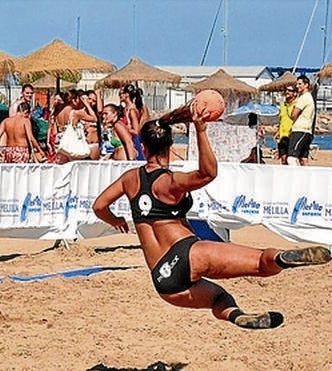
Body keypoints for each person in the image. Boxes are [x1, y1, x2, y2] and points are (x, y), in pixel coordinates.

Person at [92, 107, 331, 329]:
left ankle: (237, 315)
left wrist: (115, 220)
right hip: (188, 252)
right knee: (260, 263)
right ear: (170, 144)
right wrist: (201, 130)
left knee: (220, 298)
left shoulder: (129, 178)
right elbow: (208, 173)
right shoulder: (170, 181)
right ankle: (281, 257)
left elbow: (99, 205)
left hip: (164, 280)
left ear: (143, 147)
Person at [287, 75, 315, 166]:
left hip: (300, 130)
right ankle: (307, 179)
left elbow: (293, 114)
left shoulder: (304, 98)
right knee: (303, 159)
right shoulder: (309, 97)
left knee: (291, 158)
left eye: (300, 84)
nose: (297, 86)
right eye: (297, 84)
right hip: (307, 131)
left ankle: (295, 178)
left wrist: (291, 107)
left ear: (306, 85)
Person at [119, 84, 145, 161]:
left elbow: (136, 131)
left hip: (134, 140)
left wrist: (123, 128)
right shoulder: (126, 109)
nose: (120, 95)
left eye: (121, 93)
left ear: (127, 94)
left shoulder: (132, 110)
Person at [275, 85, 297, 164]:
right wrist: (278, 132)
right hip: (282, 136)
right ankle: (285, 176)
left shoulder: (297, 104)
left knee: (291, 159)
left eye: (290, 90)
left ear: (295, 93)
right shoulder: (282, 105)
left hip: (292, 135)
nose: (287, 92)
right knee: (283, 159)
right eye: (286, 90)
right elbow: (281, 120)